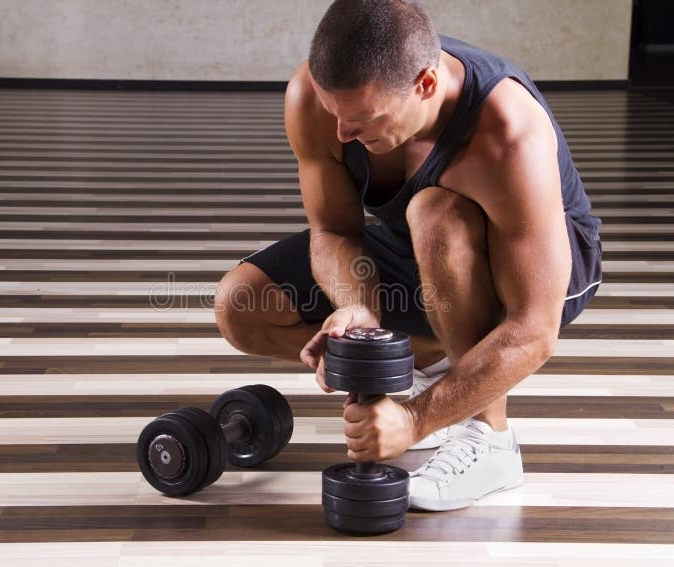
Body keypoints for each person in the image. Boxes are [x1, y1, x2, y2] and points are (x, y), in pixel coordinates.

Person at [215, 0, 602, 511]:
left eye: (362, 120)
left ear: (425, 84)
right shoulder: (314, 99)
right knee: (241, 304)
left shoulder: (506, 134)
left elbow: (533, 328)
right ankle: (433, 372)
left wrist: (416, 419)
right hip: (420, 248)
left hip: (544, 265)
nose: (342, 136)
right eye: (336, 114)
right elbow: (332, 228)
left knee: (434, 212)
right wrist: (359, 311)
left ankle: (489, 439)